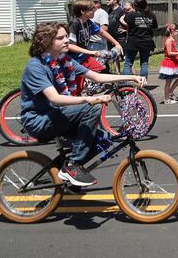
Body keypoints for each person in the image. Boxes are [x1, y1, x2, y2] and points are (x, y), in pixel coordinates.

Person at [20, 22, 145, 186]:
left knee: (104, 140)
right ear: (45, 42)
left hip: (60, 115)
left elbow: (96, 76)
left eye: (66, 36)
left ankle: (65, 176)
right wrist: (88, 99)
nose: (66, 40)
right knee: (91, 108)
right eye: (60, 38)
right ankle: (72, 166)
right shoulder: (36, 67)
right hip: (38, 120)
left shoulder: (64, 61)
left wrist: (130, 78)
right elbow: (55, 98)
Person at [67, 0, 123, 73]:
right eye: (91, 9)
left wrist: (117, 44)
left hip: (84, 57)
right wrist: (91, 52)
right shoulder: (75, 23)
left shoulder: (88, 22)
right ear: (83, 11)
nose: (94, 11)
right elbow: (70, 46)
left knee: (102, 72)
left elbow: (102, 32)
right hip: (75, 61)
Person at [120, 0, 157, 80]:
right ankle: (142, 84)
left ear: (135, 5)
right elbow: (154, 27)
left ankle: (125, 85)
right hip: (146, 41)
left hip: (133, 41)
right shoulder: (151, 15)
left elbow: (123, 20)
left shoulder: (131, 15)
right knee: (144, 63)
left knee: (128, 63)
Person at [159, 23, 178, 104]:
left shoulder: (172, 40)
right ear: (173, 31)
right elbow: (169, 53)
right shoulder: (169, 40)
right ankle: (167, 99)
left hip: (173, 62)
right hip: (169, 63)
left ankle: (170, 92)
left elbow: (173, 51)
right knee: (168, 81)